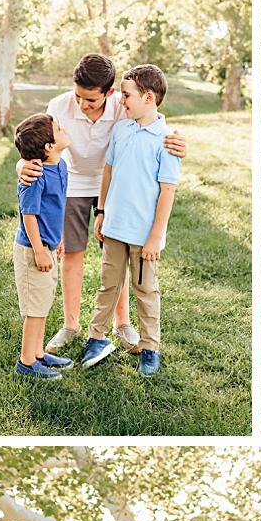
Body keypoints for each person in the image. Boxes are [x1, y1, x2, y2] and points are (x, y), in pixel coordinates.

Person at [17, 53, 187, 353]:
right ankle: (71, 324)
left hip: (116, 188)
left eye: (91, 100)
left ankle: (122, 324)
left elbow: (152, 126)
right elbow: (38, 144)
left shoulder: (124, 107)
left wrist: (179, 142)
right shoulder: (58, 106)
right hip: (71, 186)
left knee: (116, 260)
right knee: (72, 254)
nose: (82, 104)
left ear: (109, 93)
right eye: (78, 96)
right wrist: (21, 167)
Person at [79, 65, 178, 378]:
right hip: (114, 228)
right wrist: (102, 212)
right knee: (108, 285)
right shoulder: (122, 130)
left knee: (145, 289)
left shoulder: (167, 140)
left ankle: (150, 348)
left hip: (143, 234)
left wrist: (155, 237)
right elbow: (108, 172)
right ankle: (95, 338)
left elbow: (167, 192)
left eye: (126, 95)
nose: (121, 101)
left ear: (148, 98)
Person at [10, 113, 77, 380]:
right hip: (32, 250)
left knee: (43, 303)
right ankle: (27, 363)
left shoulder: (59, 166)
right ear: (48, 146)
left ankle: (38, 353)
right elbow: (29, 215)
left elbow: (54, 209)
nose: (64, 130)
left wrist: (56, 239)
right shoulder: (34, 174)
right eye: (59, 129)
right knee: (35, 310)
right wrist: (39, 250)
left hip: (48, 245)